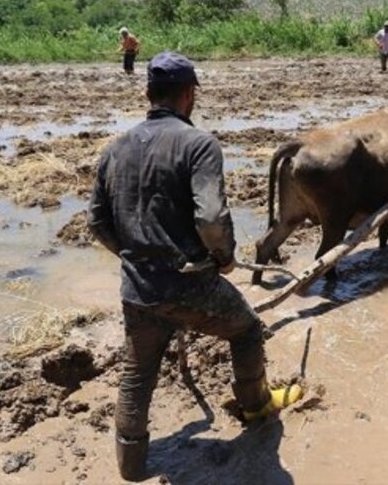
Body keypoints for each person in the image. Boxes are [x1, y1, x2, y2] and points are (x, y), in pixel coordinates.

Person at [88, 51, 304, 482]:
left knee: (137, 371)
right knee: (245, 328)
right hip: (187, 284)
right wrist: (222, 257)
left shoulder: (114, 150)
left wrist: (135, 258)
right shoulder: (198, 144)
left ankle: (130, 466)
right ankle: (256, 406)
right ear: (189, 95)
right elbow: (209, 217)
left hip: (137, 289)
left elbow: (97, 222)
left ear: (149, 93)